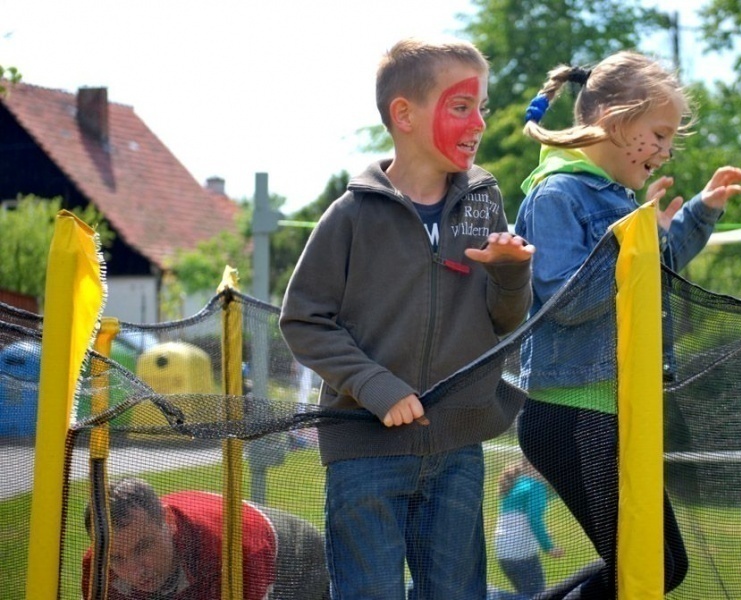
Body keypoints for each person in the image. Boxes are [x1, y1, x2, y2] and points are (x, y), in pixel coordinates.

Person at [278, 37, 534, 600]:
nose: (479, 123)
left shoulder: (485, 204)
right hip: (365, 451)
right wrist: (376, 386)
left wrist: (512, 274)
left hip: (457, 449)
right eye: (462, 106)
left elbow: (504, 323)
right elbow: (304, 320)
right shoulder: (351, 215)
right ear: (404, 114)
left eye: (482, 107)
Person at [513, 51, 741, 598]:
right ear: (614, 121)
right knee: (645, 570)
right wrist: (637, 244)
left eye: (670, 140)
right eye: (659, 134)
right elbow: (567, 301)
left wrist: (698, 215)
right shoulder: (557, 194)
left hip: (616, 410)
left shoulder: (617, 199)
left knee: (662, 566)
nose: (665, 151)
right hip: (572, 412)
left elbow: (648, 277)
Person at [81, 478, 329, 600]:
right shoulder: (97, 571)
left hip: (297, 562)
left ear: (168, 521)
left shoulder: (233, 555)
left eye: (143, 547)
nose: (136, 571)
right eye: (116, 558)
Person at [493, 459, 564, 598]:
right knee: (537, 597)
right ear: (533, 466)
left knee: (526, 594)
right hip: (521, 555)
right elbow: (534, 519)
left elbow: (517, 519)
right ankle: (491, 595)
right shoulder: (536, 487)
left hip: (504, 553)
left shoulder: (518, 484)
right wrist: (549, 546)